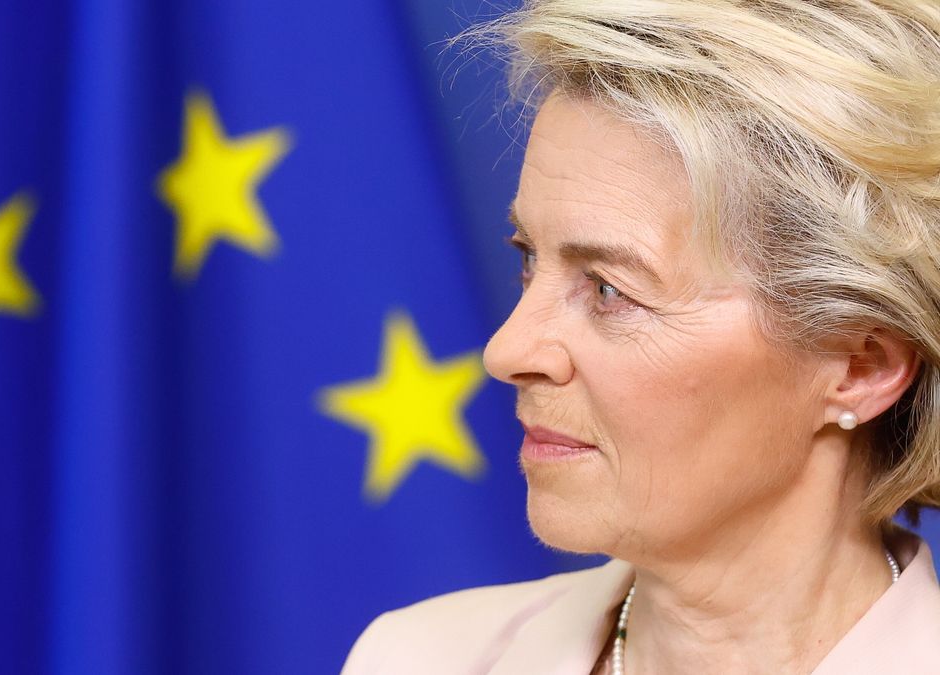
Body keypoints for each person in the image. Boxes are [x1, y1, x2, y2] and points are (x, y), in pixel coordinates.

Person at [340, 1, 940, 672]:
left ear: (863, 365)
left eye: (607, 289)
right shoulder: (416, 656)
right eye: (526, 256)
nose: (506, 350)